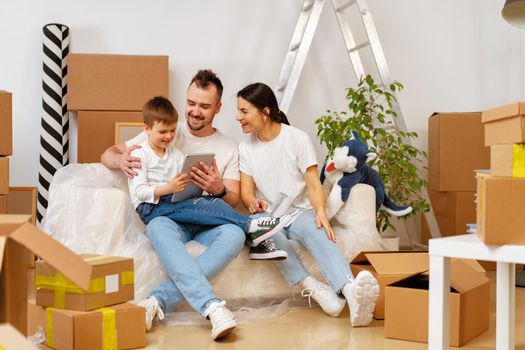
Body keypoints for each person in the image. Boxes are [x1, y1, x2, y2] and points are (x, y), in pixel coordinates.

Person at [101, 70, 282, 340]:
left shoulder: (228, 147)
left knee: (233, 234)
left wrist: (216, 188)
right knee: (159, 228)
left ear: (218, 108)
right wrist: (121, 161)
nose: (195, 112)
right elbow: (108, 153)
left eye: (204, 106)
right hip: (168, 217)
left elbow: (232, 199)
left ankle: (157, 301)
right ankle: (212, 306)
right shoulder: (164, 128)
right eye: (191, 103)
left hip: (206, 219)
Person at [236, 82, 380, 327]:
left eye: (244, 111)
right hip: (268, 217)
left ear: (265, 111)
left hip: (299, 212)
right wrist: (253, 202)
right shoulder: (245, 147)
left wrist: (322, 213)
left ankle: (350, 292)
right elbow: (246, 193)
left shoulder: (297, 139)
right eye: (238, 111)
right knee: (265, 234)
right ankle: (314, 288)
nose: (238, 117)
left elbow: (313, 184)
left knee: (320, 231)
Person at [129, 96, 289, 247]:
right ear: (147, 129)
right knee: (195, 205)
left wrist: (195, 183)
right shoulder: (139, 154)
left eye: (172, 131)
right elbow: (140, 192)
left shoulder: (176, 154)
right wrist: (168, 188)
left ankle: (254, 240)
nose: (169, 136)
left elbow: (181, 185)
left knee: (213, 201)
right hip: (151, 207)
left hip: (171, 200)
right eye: (163, 132)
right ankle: (250, 225)